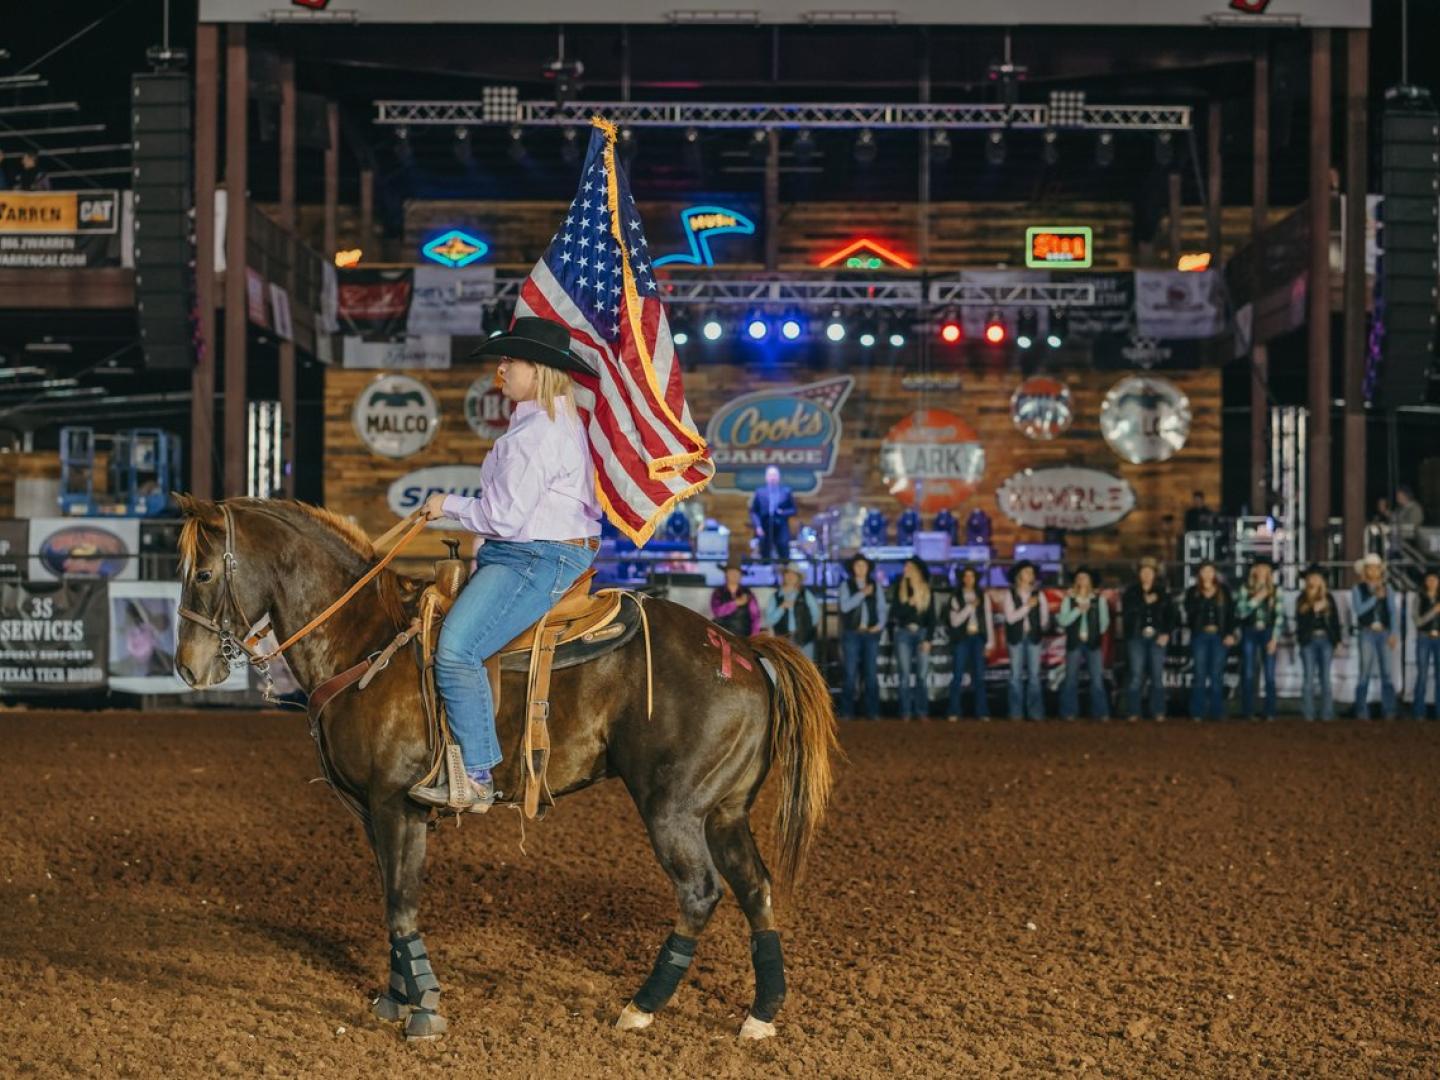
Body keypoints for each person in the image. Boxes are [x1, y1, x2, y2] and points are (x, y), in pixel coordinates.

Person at [410, 317, 601, 812]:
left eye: (509, 360)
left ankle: (475, 774)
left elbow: (503, 517)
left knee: (455, 649)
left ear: (536, 370)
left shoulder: (536, 435)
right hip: (535, 549)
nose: (501, 369)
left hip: (534, 554)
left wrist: (447, 503)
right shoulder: (545, 423)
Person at [1121, 557, 1173, 722]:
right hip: (1136, 636)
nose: (1146, 575)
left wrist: (1166, 633)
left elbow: (1170, 615)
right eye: (1144, 571)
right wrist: (1144, 603)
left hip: (1157, 636)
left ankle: (1158, 711)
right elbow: (1127, 613)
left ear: (1154, 574)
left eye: (1150, 572)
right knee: (1136, 674)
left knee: (1157, 675)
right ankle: (1133, 711)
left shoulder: (1162, 592)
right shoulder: (1131, 592)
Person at [1183, 561, 1234, 721]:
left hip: (1219, 636)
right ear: (1199, 574)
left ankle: (1217, 711)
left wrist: (1229, 633)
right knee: (1199, 673)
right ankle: (1197, 712)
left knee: (1216, 674)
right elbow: (1189, 614)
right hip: (1200, 635)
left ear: (1214, 573)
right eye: (1204, 571)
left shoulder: (1223, 591)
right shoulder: (1193, 592)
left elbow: (1231, 614)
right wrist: (1203, 597)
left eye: (1210, 571)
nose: (1207, 574)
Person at [1057, 567, 1110, 721]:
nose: (1081, 581)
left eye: (1084, 578)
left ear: (1090, 581)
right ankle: (1069, 712)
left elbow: (1104, 622)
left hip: (1093, 642)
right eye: (1079, 578)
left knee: (1097, 679)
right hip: (1074, 642)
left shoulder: (1099, 600)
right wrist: (1077, 611)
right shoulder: (1069, 600)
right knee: (1071, 678)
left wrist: (1093, 634)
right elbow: (1063, 620)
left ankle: (1100, 712)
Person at [838, 553, 886, 721]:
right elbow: (845, 607)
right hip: (852, 633)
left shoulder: (875, 585)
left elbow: (881, 608)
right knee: (850, 674)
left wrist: (879, 625)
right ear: (853, 568)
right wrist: (862, 594)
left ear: (868, 568)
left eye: (863, 566)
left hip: (870, 634)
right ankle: (847, 711)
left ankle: (873, 711)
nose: (860, 569)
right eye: (857, 566)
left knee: (870, 674)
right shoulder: (846, 585)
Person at [1351, 552, 1398, 720]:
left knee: (1386, 672)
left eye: (1376, 568)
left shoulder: (1388, 589)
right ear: (1365, 570)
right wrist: (1374, 597)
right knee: (1365, 671)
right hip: (1367, 631)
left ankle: (1389, 711)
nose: (1373, 571)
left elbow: (1392, 612)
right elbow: (1359, 610)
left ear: (1379, 570)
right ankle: (1361, 711)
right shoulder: (1358, 589)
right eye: (1370, 568)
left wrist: (1394, 633)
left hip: (1383, 632)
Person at [1235, 558, 1282, 721]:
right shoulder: (1245, 589)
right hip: (1250, 631)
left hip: (1267, 632)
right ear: (1254, 571)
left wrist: (1275, 638)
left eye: (1265, 569)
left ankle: (1270, 711)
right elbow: (1240, 612)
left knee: (1269, 674)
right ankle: (1248, 711)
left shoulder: (1276, 591)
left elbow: (1279, 617)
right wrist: (1257, 599)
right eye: (1259, 568)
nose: (1262, 572)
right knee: (1249, 672)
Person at [890, 556, 936, 720]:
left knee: (922, 675)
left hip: (922, 633)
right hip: (903, 633)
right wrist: (909, 604)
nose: (905, 570)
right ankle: (905, 712)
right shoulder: (899, 589)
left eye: (909, 567)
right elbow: (895, 615)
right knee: (904, 674)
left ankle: (922, 711)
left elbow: (931, 618)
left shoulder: (927, 590)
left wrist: (928, 639)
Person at [945, 564, 993, 721]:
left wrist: (989, 642)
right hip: (962, 638)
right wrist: (969, 608)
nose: (968, 579)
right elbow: (954, 622)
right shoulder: (956, 597)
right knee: (958, 674)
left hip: (978, 637)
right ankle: (954, 710)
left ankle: (982, 711)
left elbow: (988, 619)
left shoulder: (983, 596)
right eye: (966, 576)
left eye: (971, 576)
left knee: (979, 676)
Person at [1001, 560, 1048, 720]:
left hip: (1033, 638)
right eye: (1028, 572)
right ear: (1019, 576)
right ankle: (1016, 713)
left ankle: (1035, 713)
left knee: (1034, 676)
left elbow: (1044, 619)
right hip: (1016, 638)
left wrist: (1037, 627)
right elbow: (1010, 618)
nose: (1031, 575)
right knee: (1016, 676)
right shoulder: (1010, 595)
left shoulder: (1039, 595)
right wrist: (1027, 607)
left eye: (1032, 572)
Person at [1295, 565, 1341, 722]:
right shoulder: (1302, 599)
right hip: (1309, 640)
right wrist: (1313, 610)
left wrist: (1337, 641)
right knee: (1308, 677)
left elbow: (1335, 622)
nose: (1314, 580)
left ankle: (1327, 713)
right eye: (1311, 577)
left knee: (1325, 677)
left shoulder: (1329, 599)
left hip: (1326, 640)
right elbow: (1301, 622)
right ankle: (1308, 713)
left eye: (1317, 577)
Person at [765, 563, 820, 661]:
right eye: (788, 574)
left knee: (805, 671)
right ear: (784, 576)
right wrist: (781, 608)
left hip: (804, 641)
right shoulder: (775, 597)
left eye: (794, 574)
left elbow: (816, 615)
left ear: (798, 578)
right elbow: (769, 620)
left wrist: (806, 631)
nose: (790, 577)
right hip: (783, 642)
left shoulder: (806, 594)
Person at [749, 465, 796, 562]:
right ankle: (765, 572)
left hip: (781, 526)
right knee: (765, 553)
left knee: (783, 550)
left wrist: (783, 512)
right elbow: (754, 511)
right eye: (770, 475)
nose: (772, 477)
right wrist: (758, 526)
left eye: (774, 475)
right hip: (764, 526)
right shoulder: (760, 492)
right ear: (766, 477)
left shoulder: (786, 491)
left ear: (778, 477)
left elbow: (793, 509)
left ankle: (786, 573)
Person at [1414, 568, 1440, 720]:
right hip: (1424, 637)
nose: (1431, 582)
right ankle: (1419, 712)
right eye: (1429, 579)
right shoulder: (1419, 597)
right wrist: (1434, 611)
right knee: (1422, 675)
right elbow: (1418, 621)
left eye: (1434, 579)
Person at [711, 564, 762, 637]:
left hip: (744, 636)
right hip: (722, 636)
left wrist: (754, 636)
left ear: (741, 576)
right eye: (731, 572)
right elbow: (717, 612)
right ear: (726, 574)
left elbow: (756, 616)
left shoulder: (748, 593)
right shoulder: (718, 593)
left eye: (737, 573)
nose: (734, 575)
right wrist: (735, 603)